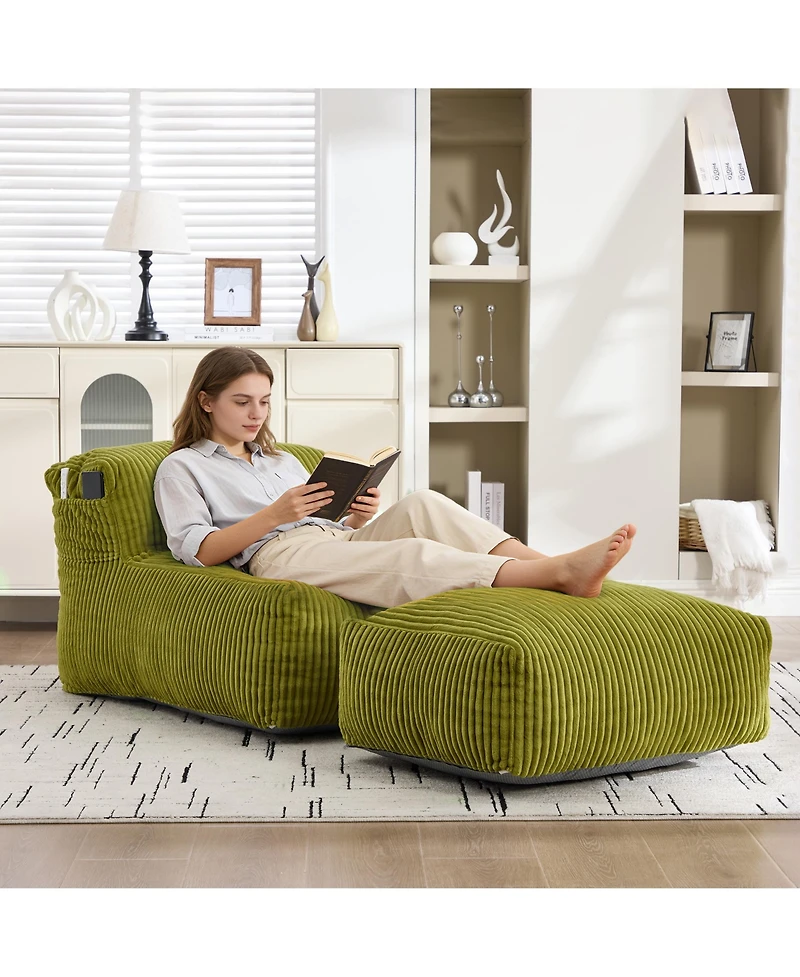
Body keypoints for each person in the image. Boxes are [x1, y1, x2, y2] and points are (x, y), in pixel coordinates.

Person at [154, 347, 636, 609]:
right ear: (206, 401)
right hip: (277, 555)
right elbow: (198, 551)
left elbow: (330, 527)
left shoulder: (279, 459)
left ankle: (553, 563)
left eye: (264, 401)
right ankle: (557, 576)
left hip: (330, 540)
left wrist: (356, 518)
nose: (256, 413)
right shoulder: (183, 467)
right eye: (242, 402)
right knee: (410, 553)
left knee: (423, 502)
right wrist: (274, 515)